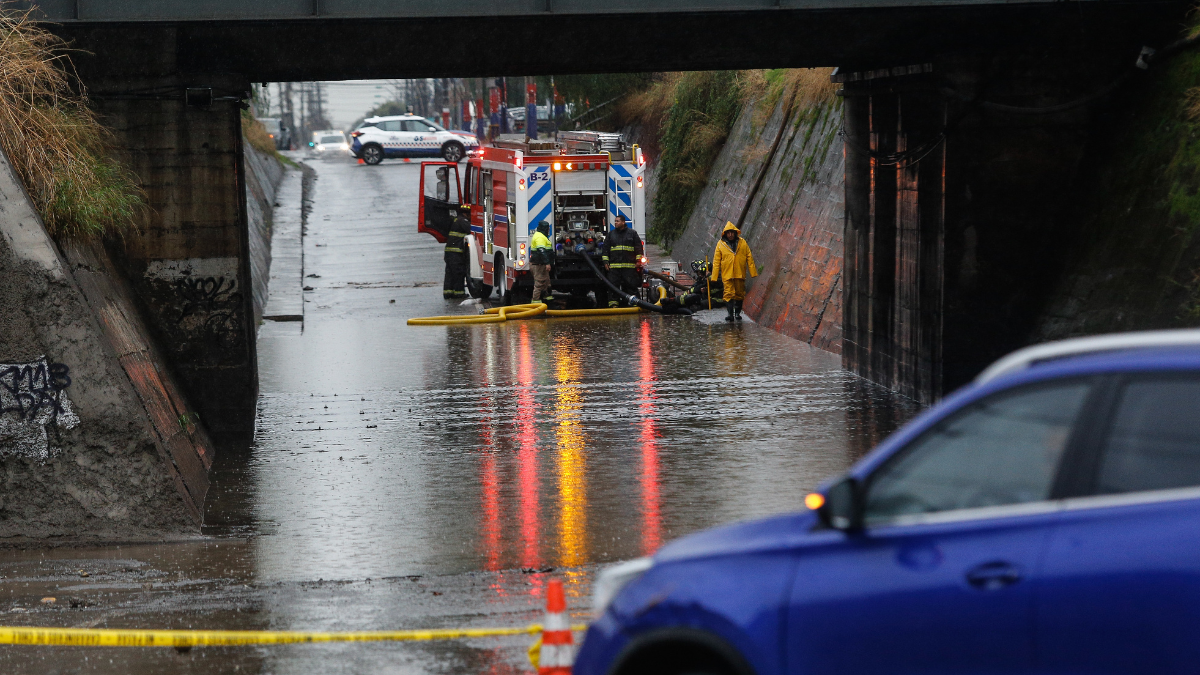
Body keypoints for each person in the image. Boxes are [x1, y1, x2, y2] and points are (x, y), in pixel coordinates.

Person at [711, 221, 757, 322]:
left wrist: (752, 271)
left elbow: (749, 257)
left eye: (732, 232)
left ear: (735, 233)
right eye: (728, 233)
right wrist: (714, 276)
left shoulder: (742, 242)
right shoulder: (720, 244)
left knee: (739, 294)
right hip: (727, 274)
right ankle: (730, 314)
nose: (730, 235)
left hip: (739, 273)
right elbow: (716, 261)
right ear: (725, 234)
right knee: (728, 293)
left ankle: (737, 313)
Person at [601, 214, 644, 307]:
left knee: (631, 287)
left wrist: (638, 261)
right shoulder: (611, 234)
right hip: (614, 268)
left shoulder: (632, 234)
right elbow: (605, 250)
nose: (615, 223)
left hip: (629, 268)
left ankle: (635, 304)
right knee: (613, 288)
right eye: (615, 221)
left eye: (617, 221)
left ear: (623, 222)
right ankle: (613, 305)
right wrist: (605, 262)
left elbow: (638, 248)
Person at [443, 210, 471, 299]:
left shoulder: (456, 220)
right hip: (456, 253)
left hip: (449, 252)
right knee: (459, 273)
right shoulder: (463, 221)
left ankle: (448, 293)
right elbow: (471, 230)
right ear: (465, 213)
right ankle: (459, 293)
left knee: (450, 273)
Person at [530, 220, 555, 303]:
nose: (549, 230)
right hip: (539, 264)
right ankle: (535, 302)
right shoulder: (540, 237)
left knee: (546, 282)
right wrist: (547, 263)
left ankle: (547, 300)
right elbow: (541, 251)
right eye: (548, 229)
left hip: (541, 264)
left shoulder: (541, 236)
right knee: (540, 282)